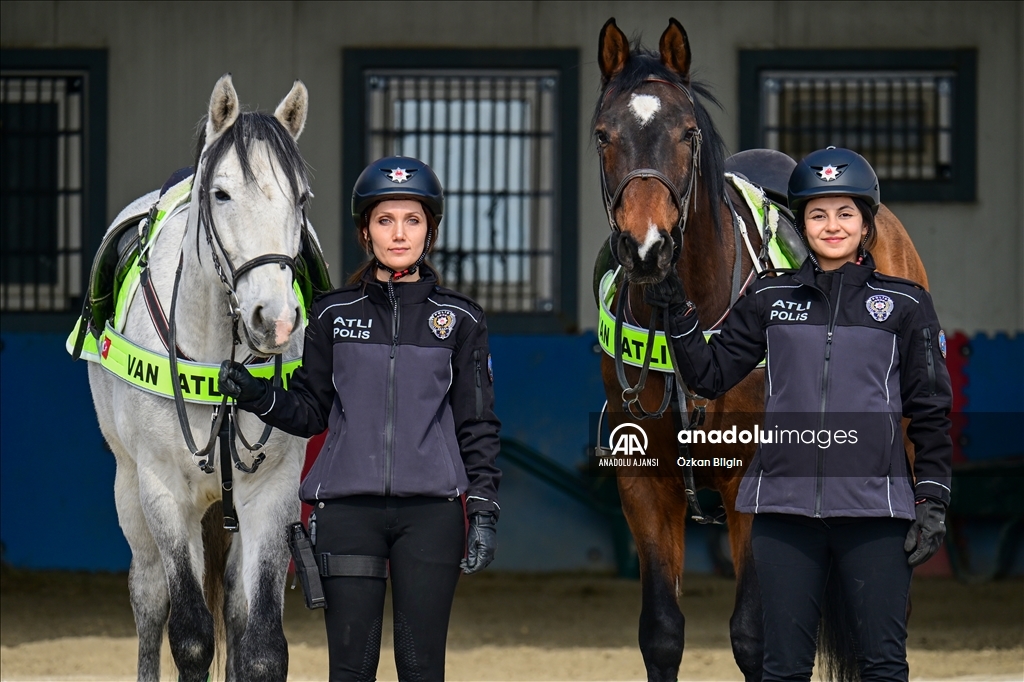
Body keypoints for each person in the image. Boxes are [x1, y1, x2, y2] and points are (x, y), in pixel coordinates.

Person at [646, 147, 952, 681]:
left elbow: (928, 408)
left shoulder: (906, 306)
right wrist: (678, 313)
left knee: (881, 665)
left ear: (865, 222)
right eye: (817, 214)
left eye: (845, 213)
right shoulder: (768, 296)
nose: (831, 226)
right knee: (782, 667)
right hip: (785, 517)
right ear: (801, 223)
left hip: (875, 514)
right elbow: (708, 375)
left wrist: (933, 496)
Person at [219, 156, 501, 681]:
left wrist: (482, 508)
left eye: (412, 220)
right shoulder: (331, 314)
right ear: (365, 232)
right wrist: (258, 395)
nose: (399, 233)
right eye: (385, 220)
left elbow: (477, 423)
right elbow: (310, 411)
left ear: (430, 231)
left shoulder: (460, 320)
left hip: (433, 517)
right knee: (350, 671)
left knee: (422, 670)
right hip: (346, 515)